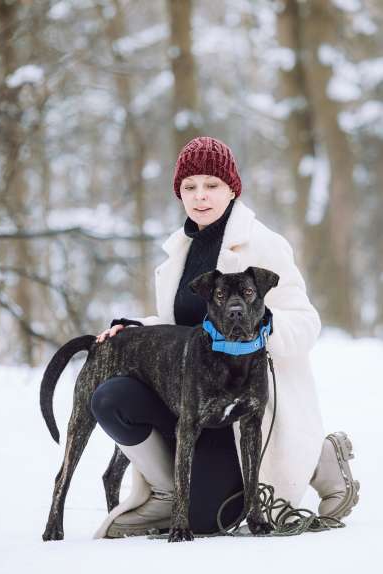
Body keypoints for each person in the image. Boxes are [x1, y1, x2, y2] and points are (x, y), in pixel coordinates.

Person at [91, 136, 360, 540]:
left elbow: (305, 321)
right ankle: (169, 491)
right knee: (113, 396)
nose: (200, 196)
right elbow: (179, 325)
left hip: (246, 407)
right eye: (189, 187)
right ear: (179, 193)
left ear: (232, 187)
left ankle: (318, 457)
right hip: (195, 401)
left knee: (205, 521)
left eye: (211, 184)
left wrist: (256, 329)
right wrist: (136, 329)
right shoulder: (178, 253)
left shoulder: (262, 245)